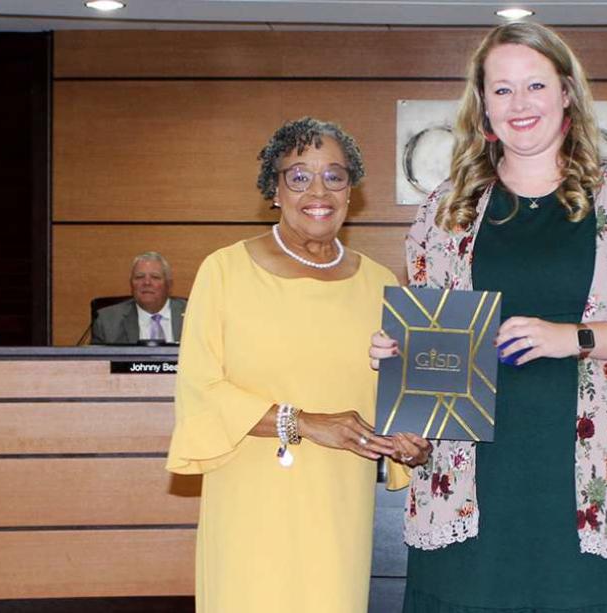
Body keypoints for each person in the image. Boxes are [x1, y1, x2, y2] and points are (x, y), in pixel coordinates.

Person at [370, 22, 607, 612]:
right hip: (477, 472)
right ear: (482, 106)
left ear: (567, 93)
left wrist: (569, 337)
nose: (519, 104)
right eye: (501, 90)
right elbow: (436, 334)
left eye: (534, 86)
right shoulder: (445, 211)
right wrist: (401, 355)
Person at [166, 117, 431, 613]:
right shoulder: (224, 270)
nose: (319, 190)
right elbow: (201, 390)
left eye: (334, 176)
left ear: (351, 192)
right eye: (299, 175)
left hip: (337, 508)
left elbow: (394, 400)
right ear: (274, 188)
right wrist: (304, 422)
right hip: (250, 500)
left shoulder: (380, 286)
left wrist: (409, 444)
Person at [91, 252, 188, 344]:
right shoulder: (107, 321)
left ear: (169, 285)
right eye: (139, 277)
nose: (146, 283)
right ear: (131, 284)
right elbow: (96, 361)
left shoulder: (194, 314)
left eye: (155, 277)